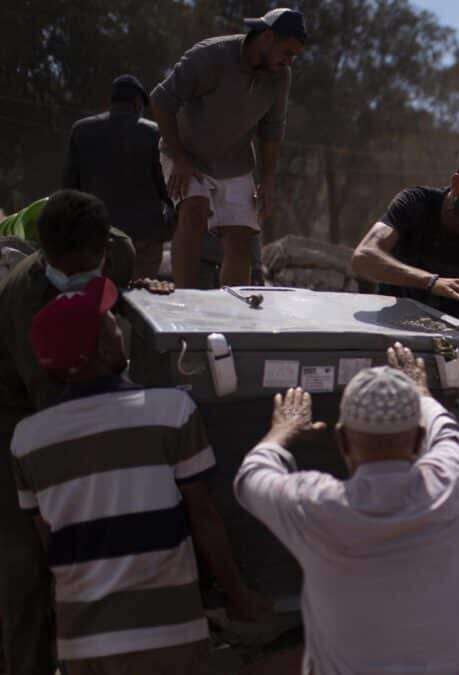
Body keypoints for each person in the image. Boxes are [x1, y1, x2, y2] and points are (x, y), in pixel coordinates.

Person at [9, 276, 264, 674]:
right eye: (109, 320)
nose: (118, 325)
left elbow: (51, 546)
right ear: (101, 346)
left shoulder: (27, 442)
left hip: (83, 644)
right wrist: (237, 594)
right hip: (169, 636)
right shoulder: (170, 412)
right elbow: (205, 519)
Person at [234, 344, 459, 674]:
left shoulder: (315, 505)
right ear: (418, 441)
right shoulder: (448, 483)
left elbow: (250, 477)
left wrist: (283, 429)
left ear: (341, 442)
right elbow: (448, 432)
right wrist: (421, 391)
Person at [0, 189, 147, 675]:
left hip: (85, 395)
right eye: (63, 269)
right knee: (26, 571)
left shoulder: (119, 253)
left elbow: (123, 293)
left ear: (103, 251)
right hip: (19, 421)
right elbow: (53, 409)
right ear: (45, 257)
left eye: (86, 267)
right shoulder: (26, 298)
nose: (74, 280)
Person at [351, 145, 459, 580]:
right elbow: (362, 257)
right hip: (387, 322)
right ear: (457, 184)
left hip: (445, 331)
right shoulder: (414, 204)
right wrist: (432, 282)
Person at [150, 8, 307, 288]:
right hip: (186, 153)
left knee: (241, 237)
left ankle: (232, 311)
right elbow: (161, 100)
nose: (289, 61)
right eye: (286, 52)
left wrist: (268, 180)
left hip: (235, 160)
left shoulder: (280, 76)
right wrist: (180, 158)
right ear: (268, 37)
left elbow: (271, 131)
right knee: (194, 212)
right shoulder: (211, 56)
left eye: (293, 56)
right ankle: (184, 300)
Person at [63, 74, 172, 279]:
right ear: (138, 102)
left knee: (98, 295)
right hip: (145, 238)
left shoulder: (81, 131)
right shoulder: (153, 133)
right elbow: (167, 188)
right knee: (140, 296)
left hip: (95, 237)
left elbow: (69, 188)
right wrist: (168, 228)